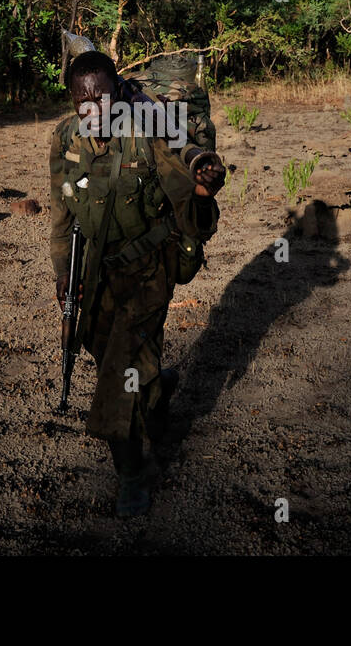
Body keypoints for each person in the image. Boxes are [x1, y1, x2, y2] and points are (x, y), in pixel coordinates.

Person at [48, 50, 224, 516]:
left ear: (117, 98)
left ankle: (131, 474)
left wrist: (204, 191)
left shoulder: (148, 134)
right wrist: (64, 275)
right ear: (72, 103)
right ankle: (159, 388)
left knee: (117, 374)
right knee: (102, 350)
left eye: (102, 101)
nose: (93, 113)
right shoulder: (64, 140)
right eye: (82, 104)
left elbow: (195, 217)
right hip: (98, 270)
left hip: (150, 270)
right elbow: (62, 216)